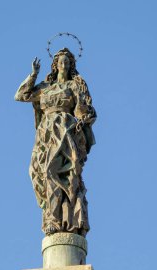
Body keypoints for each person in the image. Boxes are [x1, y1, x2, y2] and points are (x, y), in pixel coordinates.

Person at [15, 48, 96, 237]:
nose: (64, 64)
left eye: (67, 62)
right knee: (37, 172)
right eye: (61, 61)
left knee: (55, 171)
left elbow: (83, 111)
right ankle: (52, 215)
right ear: (55, 64)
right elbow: (21, 96)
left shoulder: (73, 86)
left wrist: (84, 119)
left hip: (65, 132)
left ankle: (55, 219)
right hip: (46, 134)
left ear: (71, 65)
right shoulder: (45, 87)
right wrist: (33, 75)